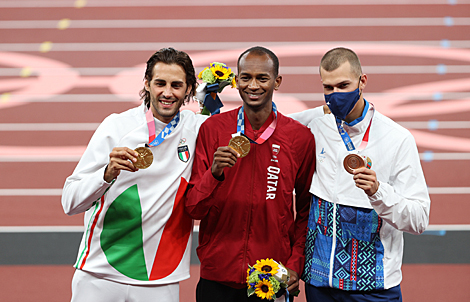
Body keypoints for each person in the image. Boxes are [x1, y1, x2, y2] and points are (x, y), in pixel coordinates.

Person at [61, 47, 209, 302]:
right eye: (160, 83)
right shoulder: (117, 126)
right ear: (147, 84)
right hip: (100, 273)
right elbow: (70, 202)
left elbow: (253, 127)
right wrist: (107, 173)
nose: (167, 92)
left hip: (161, 279)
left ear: (188, 90)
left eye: (176, 85)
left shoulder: (196, 129)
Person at [293, 47, 431, 301]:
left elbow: (419, 219)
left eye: (344, 85)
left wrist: (378, 191)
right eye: (328, 88)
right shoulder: (315, 123)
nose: (335, 96)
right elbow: (267, 124)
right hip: (319, 283)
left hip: (373, 288)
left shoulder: (397, 139)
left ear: (362, 81)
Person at [185, 46, 316, 302]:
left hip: (271, 274)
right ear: (236, 81)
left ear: (277, 82)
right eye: (245, 77)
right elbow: (193, 209)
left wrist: (295, 263)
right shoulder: (213, 129)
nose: (253, 85)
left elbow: (307, 210)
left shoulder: (299, 138)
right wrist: (214, 174)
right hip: (218, 272)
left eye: (262, 78)